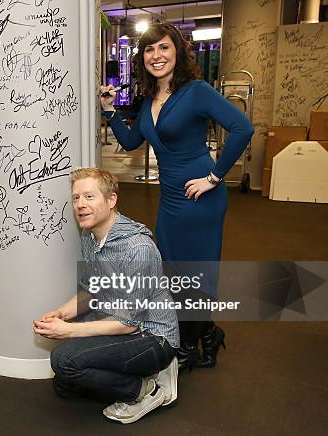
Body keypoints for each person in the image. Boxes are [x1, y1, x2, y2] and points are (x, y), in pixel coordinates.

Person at [100, 23, 254, 370]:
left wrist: (215, 177)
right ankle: (210, 334)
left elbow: (243, 127)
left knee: (194, 276)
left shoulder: (196, 91)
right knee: (174, 274)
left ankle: (185, 346)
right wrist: (109, 110)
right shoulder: (148, 99)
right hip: (170, 199)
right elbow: (129, 141)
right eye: (150, 50)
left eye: (164, 48)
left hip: (200, 198)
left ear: (178, 52)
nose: (157, 56)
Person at [33, 168, 179, 425]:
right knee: (63, 386)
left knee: (62, 360)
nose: (80, 205)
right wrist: (61, 314)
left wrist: (66, 331)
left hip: (152, 336)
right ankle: (141, 375)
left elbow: (128, 323)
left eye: (89, 197)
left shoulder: (138, 248)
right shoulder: (89, 236)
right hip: (118, 322)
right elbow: (92, 290)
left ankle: (147, 391)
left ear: (111, 200)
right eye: (76, 198)